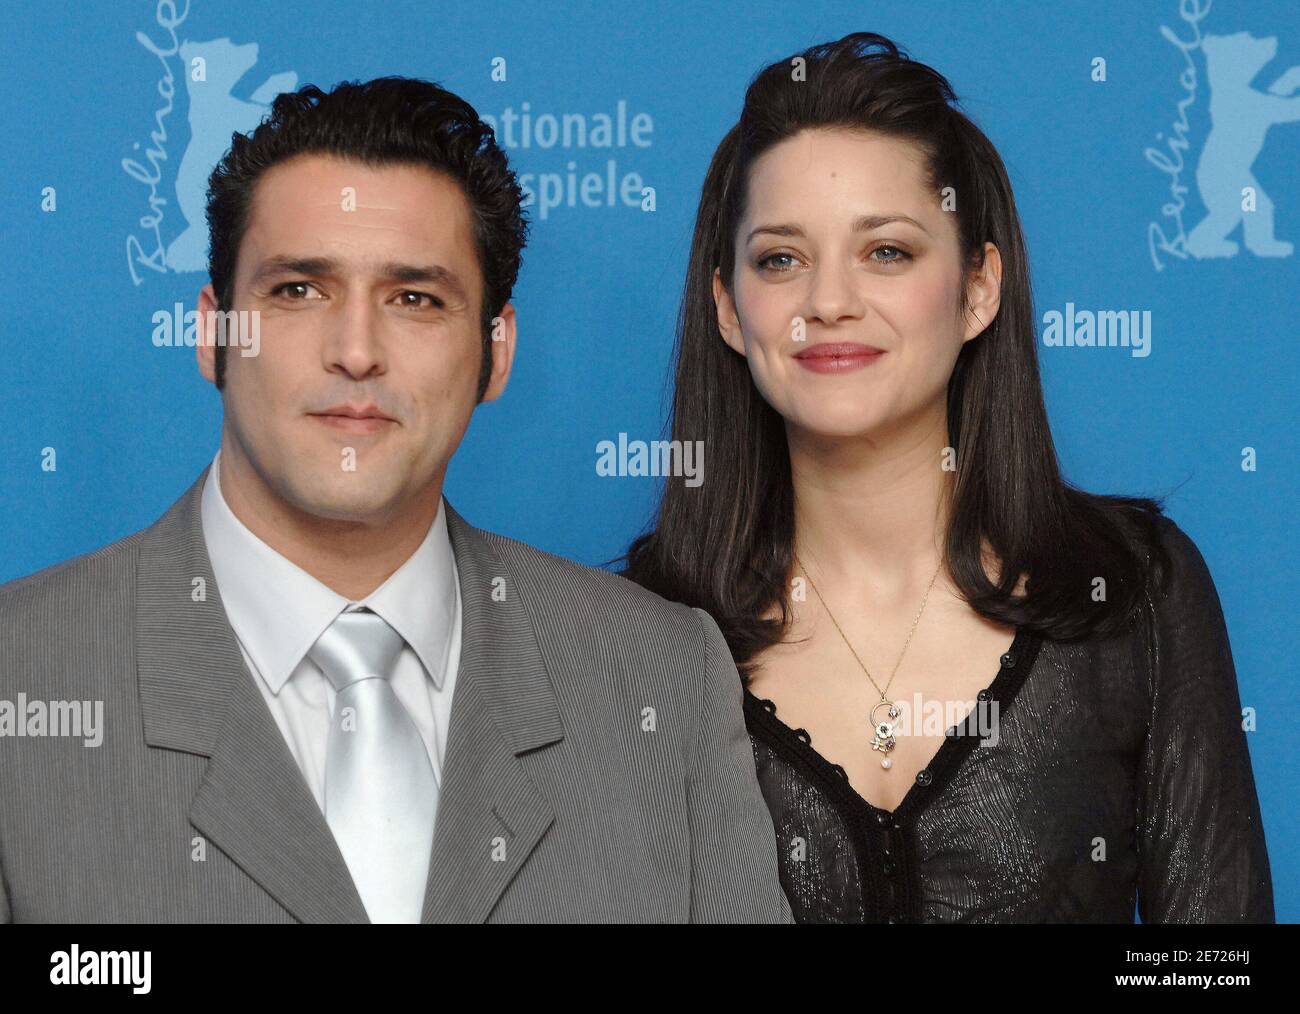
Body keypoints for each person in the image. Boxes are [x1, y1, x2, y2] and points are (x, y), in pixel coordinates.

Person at [0, 77, 791, 924]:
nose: (355, 351)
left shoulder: (662, 678)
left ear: (497, 353)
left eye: (415, 298)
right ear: (213, 331)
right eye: (298, 290)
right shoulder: (24, 678)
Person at [622, 33, 1274, 923]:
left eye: (887, 251)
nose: (829, 300)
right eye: (781, 258)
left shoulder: (1136, 595)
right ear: (731, 309)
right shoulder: (635, 639)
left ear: (978, 289)